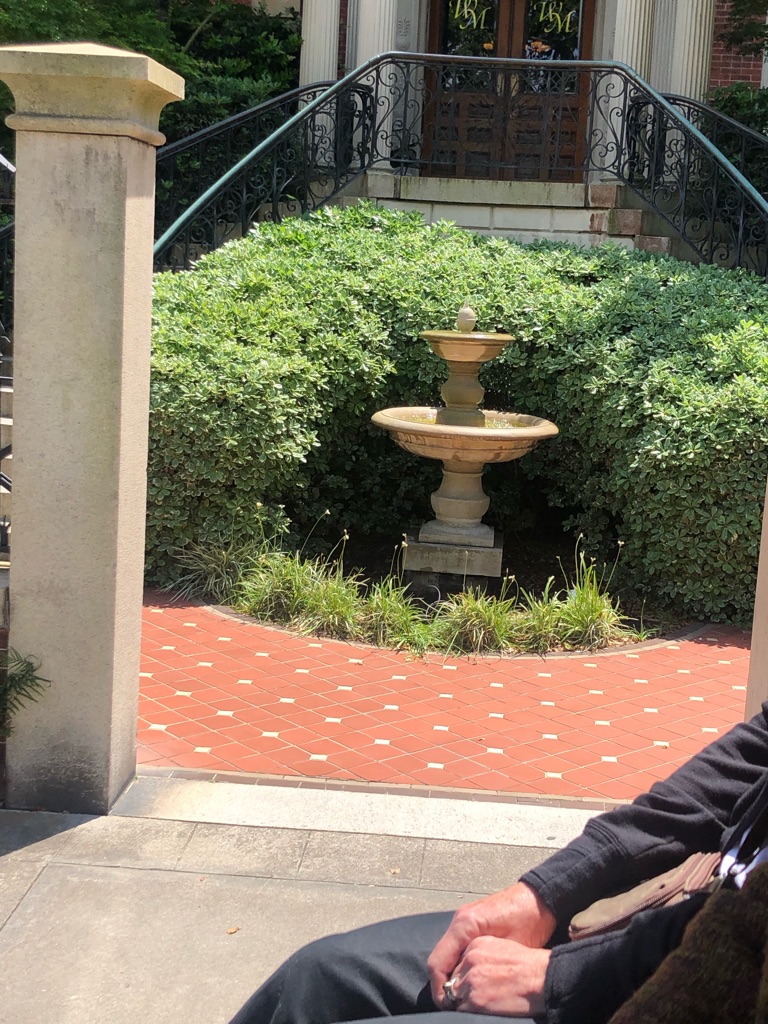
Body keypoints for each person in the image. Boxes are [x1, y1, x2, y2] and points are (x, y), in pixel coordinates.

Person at [229, 703, 768, 1024]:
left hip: (704, 984)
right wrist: (546, 892)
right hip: (680, 917)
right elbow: (744, 762)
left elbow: (743, 943)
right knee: (319, 976)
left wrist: (559, 978)